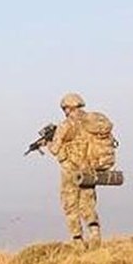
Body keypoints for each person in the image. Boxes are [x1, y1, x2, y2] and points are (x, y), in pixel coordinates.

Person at [48, 92, 102, 247]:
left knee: (70, 204)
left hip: (71, 171)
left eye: (65, 108)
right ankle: (95, 234)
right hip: (90, 170)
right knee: (88, 203)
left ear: (68, 107)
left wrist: (48, 144)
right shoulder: (91, 122)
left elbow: (55, 149)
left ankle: (77, 240)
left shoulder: (66, 125)